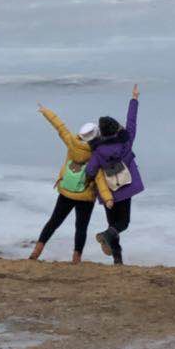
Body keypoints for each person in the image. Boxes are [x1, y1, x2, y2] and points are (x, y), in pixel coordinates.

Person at [28, 103, 113, 263]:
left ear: (81, 135)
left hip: (67, 190)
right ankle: (76, 259)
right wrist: (107, 198)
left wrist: (45, 111)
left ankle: (36, 251)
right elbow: (100, 177)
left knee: (53, 222)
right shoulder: (97, 152)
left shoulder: (72, 142)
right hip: (85, 196)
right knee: (81, 227)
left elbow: (60, 126)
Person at [83, 83, 144, 265]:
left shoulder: (97, 151)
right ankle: (107, 238)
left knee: (113, 224)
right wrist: (134, 99)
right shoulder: (126, 142)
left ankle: (117, 259)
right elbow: (131, 122)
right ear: (116, 128)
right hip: (125, 188)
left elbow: (90, 170)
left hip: (108, 192)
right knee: (122, 224)